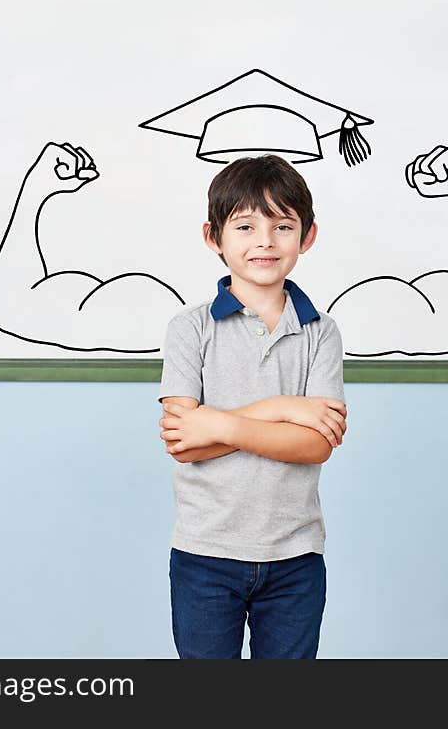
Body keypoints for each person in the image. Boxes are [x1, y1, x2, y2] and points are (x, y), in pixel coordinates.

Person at [157, 154, 347, 659]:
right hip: (205, 554)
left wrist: (214, 423)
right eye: (244, 226)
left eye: (282, 226)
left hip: (295, 556)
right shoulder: (190, 328)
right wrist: (283, 405)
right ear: (213, 236)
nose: (264, 241)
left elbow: (314, 444)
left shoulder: (321, 333)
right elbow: (183, 443)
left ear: (306, 236)